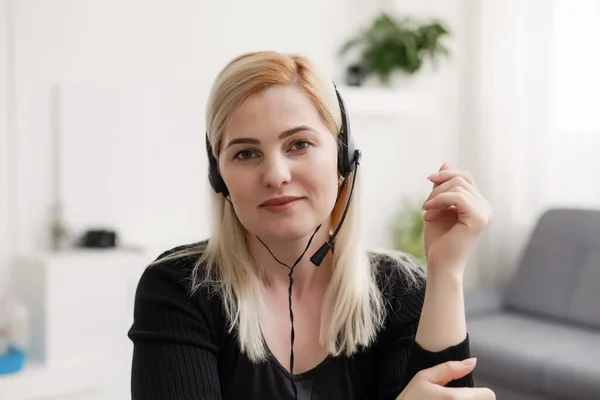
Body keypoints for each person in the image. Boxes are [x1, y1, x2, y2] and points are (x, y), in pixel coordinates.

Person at [128, 51, 495, 400]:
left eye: (299, 144)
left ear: (342, 160)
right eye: (246, 153)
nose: (275, 175)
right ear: (219, 178)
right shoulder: (177, 288)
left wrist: (446, 271)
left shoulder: (402, 289)